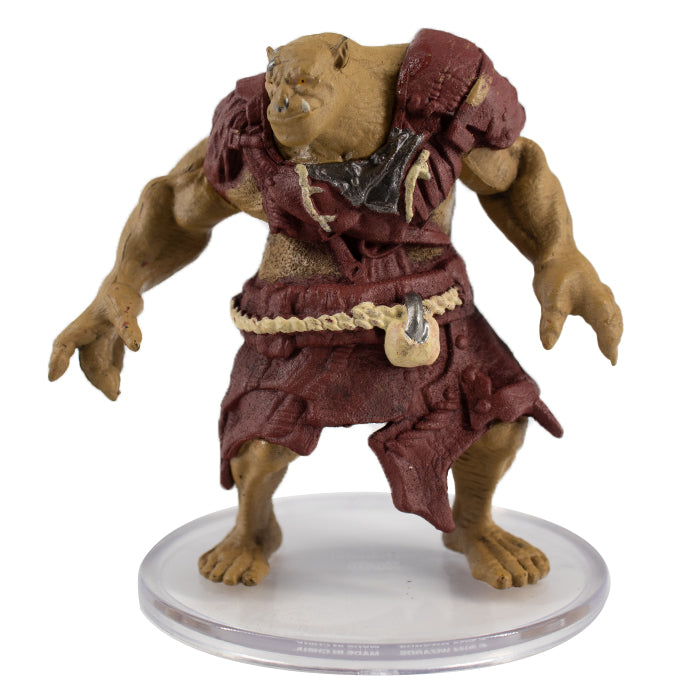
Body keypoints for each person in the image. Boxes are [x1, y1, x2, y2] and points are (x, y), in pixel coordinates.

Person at [49, 30, 622, 590]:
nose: (285, 103)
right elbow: (176, 206)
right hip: (302, 314)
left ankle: (474, 522)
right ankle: (253, 528)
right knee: (258, 449)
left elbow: (514, 174)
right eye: (278, 87)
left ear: (344, 63)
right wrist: (123, 282)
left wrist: (559, 254)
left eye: (302, 85)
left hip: (427, 306)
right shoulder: (252, 132)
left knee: (495, 421)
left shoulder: (443, 96)